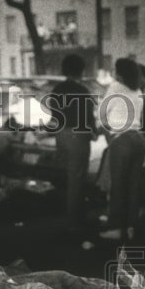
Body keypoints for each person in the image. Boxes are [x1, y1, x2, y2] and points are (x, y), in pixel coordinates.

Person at [46, 54, 97, 236]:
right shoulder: (83, 91)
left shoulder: (57, 89)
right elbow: (88, 117)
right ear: (81, 70)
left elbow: (55, 116)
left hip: (61, 135)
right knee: (77, 179)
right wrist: (93, 132)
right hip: (78, 136)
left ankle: (68, 216)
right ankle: (75, 222)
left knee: (67, 177)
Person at [97, 58, 145, 241]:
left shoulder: (115, 87)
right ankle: (131, 226)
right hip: (138, 138)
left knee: (118, 186)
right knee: (133, 186)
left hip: (122, 139)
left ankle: (116, 228)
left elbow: (102, 114)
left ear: (120, 73)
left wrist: (105, 128)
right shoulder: (138, 90)